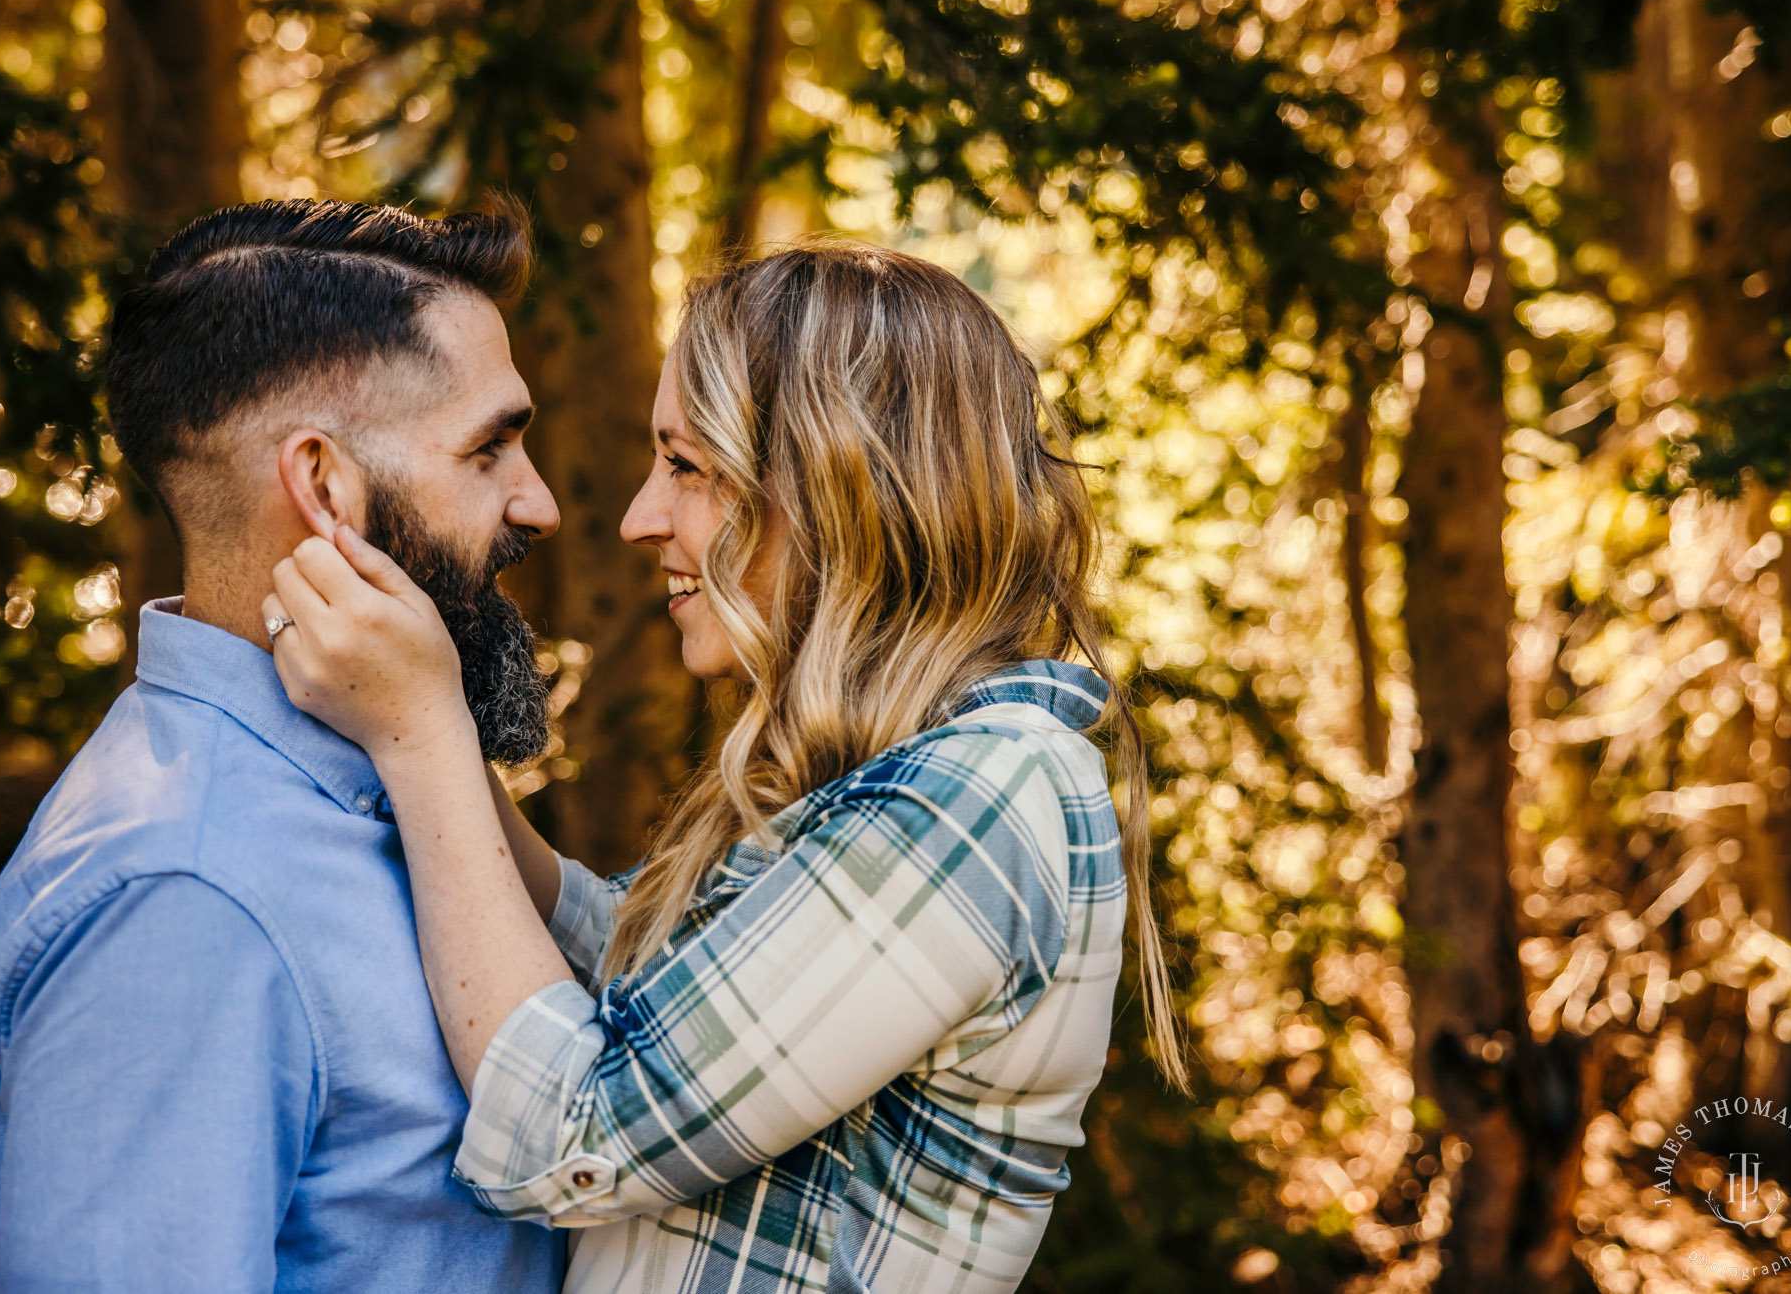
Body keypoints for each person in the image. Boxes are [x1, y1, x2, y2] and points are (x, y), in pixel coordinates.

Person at [263, 240, 1190, 1292]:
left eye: (687, 466)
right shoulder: (905, 777)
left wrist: (420, 735)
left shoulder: (980, 793)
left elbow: (567, 1131)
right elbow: (636, 978)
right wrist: (418, 716)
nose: (636, 517)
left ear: (846, 489)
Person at [0, 199, 565, 1292]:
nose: (538, 501)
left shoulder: (378, 786)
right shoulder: (187, 893)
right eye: (489, 447)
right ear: (323, 486)